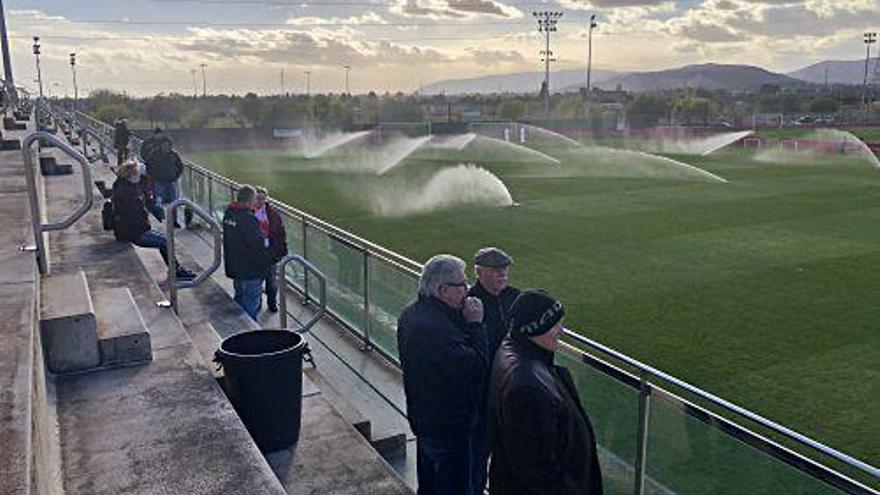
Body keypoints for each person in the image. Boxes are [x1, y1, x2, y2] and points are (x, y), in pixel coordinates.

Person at [487, 290, 603, 495]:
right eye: (556, 324)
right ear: (535, 328)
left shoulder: (514, 351)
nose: (562, 331)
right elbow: (537, 469)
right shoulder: (527, 386)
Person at [397, 254, 488, 495]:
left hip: (427, 417)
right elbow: (476, 366)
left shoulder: (413, 314)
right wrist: (476, 324)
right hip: (447, 425)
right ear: (443, 290)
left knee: (431, 482)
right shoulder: (434, 329)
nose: (467, 290)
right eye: (462, 285)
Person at [468, 246, 521, 493]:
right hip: (482, 395)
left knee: (509, 456)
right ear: (479, 272)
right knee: (478, 455)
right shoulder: (468, 303)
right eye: (496, 271)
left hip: (510, 391)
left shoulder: (515, 297)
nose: (502, 275)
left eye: (504, 270)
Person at [111, 161, 195, 280]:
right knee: (165, 242)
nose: (139, 176)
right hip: (132, 232)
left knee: (166, 240)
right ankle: (175, 272)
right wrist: (146, 223)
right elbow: (132, 215)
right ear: (130, 174)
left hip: (135, 228)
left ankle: (176, 269)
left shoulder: (126, 186)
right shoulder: (126, 192)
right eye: (137, 173)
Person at [223, 185, 271, 320]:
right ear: (249, 200)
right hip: (250, 270)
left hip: (234, 266)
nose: (256, 202)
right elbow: (257, 246)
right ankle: (249, 333)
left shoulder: (229, 213)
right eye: (255, 199)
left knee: (239, 299)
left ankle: (237, 330)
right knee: (251, 303)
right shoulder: (248, 218)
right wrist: (265, 266)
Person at [254, 187, 288, 313]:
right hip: (255, 253)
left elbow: (280, 232)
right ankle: (257, 304)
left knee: (271, 281)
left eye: (263, 198)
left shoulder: (272, 213)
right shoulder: (249, 212)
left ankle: (272, 303)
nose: (261, 201)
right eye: (258, 198)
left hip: (270, 252)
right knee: (256, 281)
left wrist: (282, 250)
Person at [143, 130, 184, 227]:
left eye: (168, 145)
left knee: (174, 203)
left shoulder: (174, 155)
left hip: (171, 182)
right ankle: (159, 220)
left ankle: (174, 221)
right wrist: (154, 177)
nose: (166, 147)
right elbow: (148, 166)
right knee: (158, 202)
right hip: (159, 182)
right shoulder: (154, 154)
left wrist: (176, 176)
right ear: (161, 145)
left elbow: (180, 166)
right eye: (164, 145)